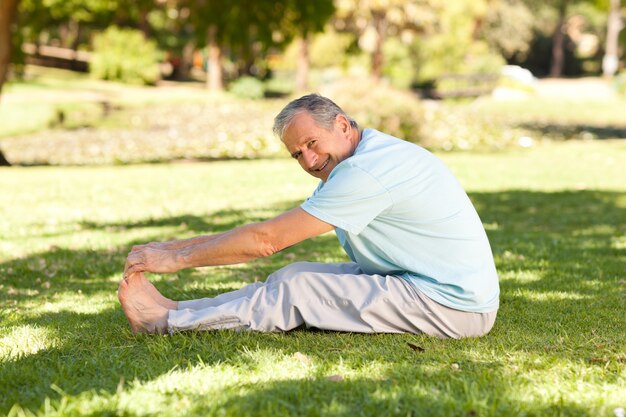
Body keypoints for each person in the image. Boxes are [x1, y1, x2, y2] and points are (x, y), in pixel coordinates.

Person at [119, 94, 499, 338]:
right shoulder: (361, 159)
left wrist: (174, 259)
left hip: (451, 305)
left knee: (299, 292)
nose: (309, 161)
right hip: (423, 282)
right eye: (297, 154)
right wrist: (171, 246)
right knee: (295, 275)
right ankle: (179, 310)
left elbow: (267, 240)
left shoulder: (366, 172)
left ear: (342, 125)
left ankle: (164, 324)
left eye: (311, 144)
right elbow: (266, 231)